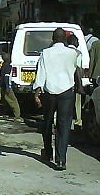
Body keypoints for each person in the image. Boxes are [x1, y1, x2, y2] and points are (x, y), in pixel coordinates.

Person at [33, 28, 82, 170]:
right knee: (64, 125)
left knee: (47, 123)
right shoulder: (73, 53)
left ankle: (48, 152)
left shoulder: (45, 53)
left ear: (53, 39)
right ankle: (61, 160)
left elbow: (41, 73)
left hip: (49, 92)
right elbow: (77, 70)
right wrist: (80, 87)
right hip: (66, 92)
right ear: (65, 39)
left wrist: (37, 92)